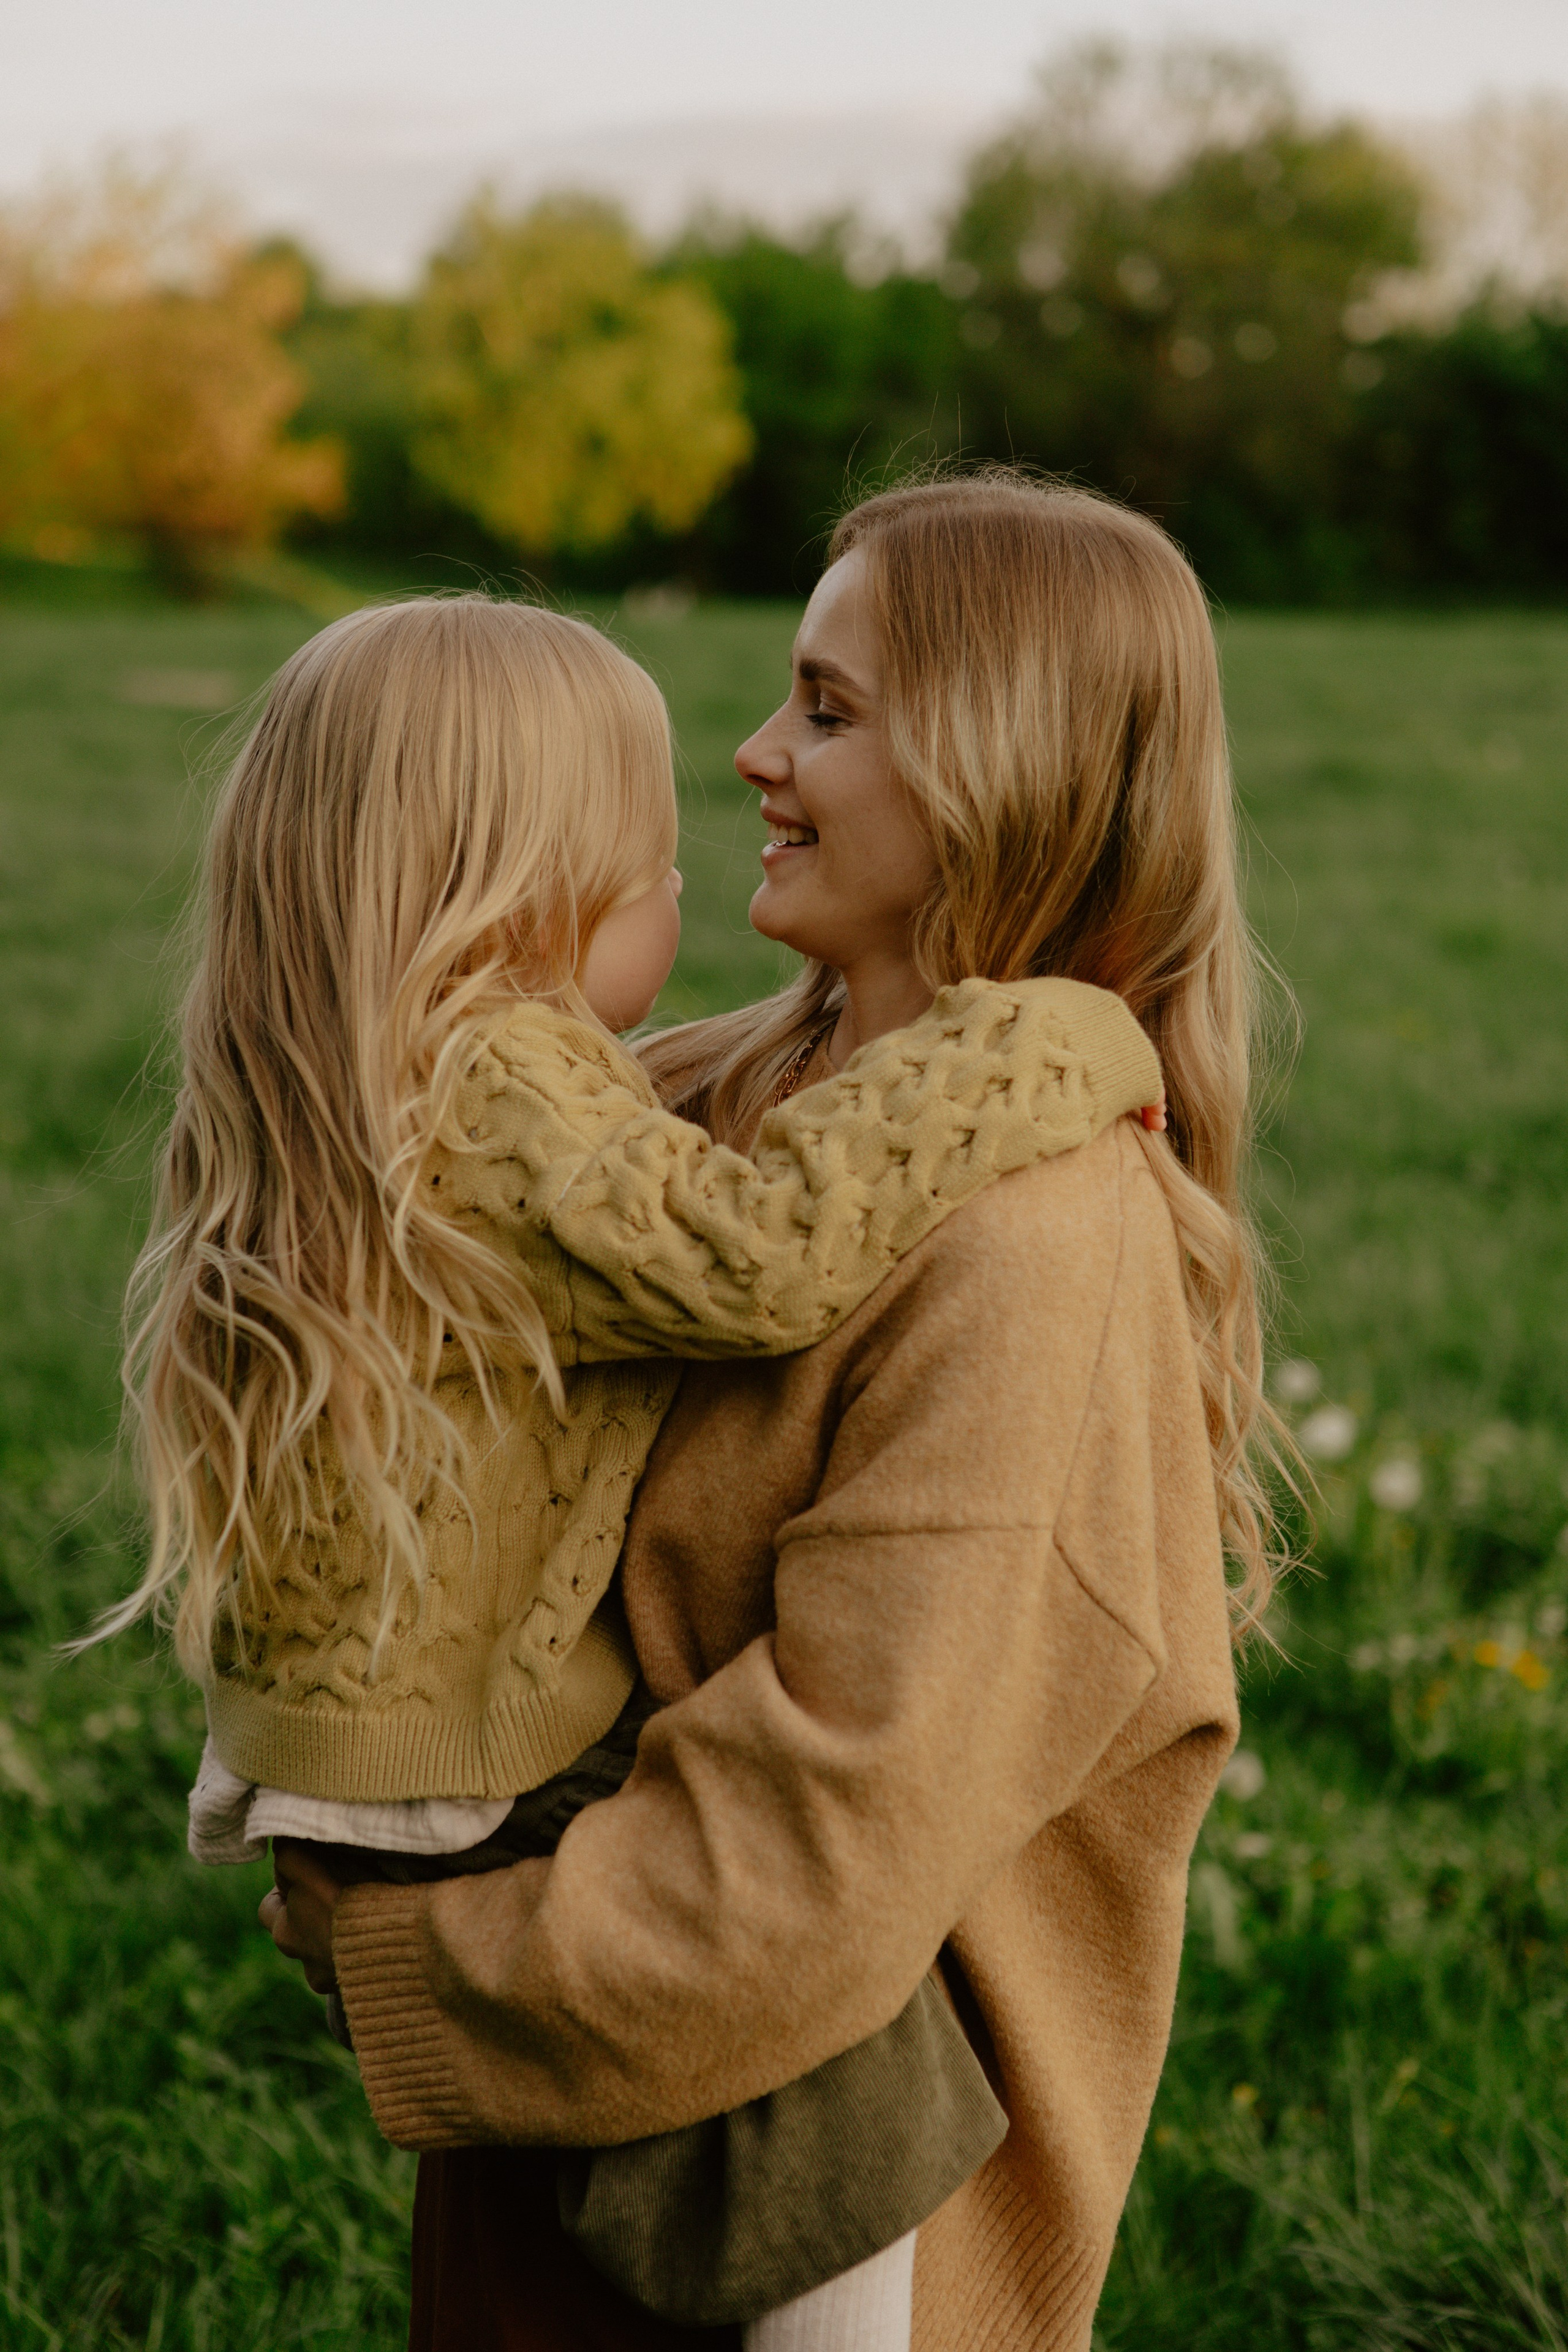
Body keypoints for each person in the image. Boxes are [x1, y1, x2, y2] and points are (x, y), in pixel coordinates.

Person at [265, 473, 1295, 2352]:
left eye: (828, 708)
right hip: (576, 2121)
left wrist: (402, 1950)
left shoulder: (1037, 1246)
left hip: (811, 2216)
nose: (755, 751)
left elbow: (820, 1856)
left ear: (1009, 763)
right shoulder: (692, 1109)